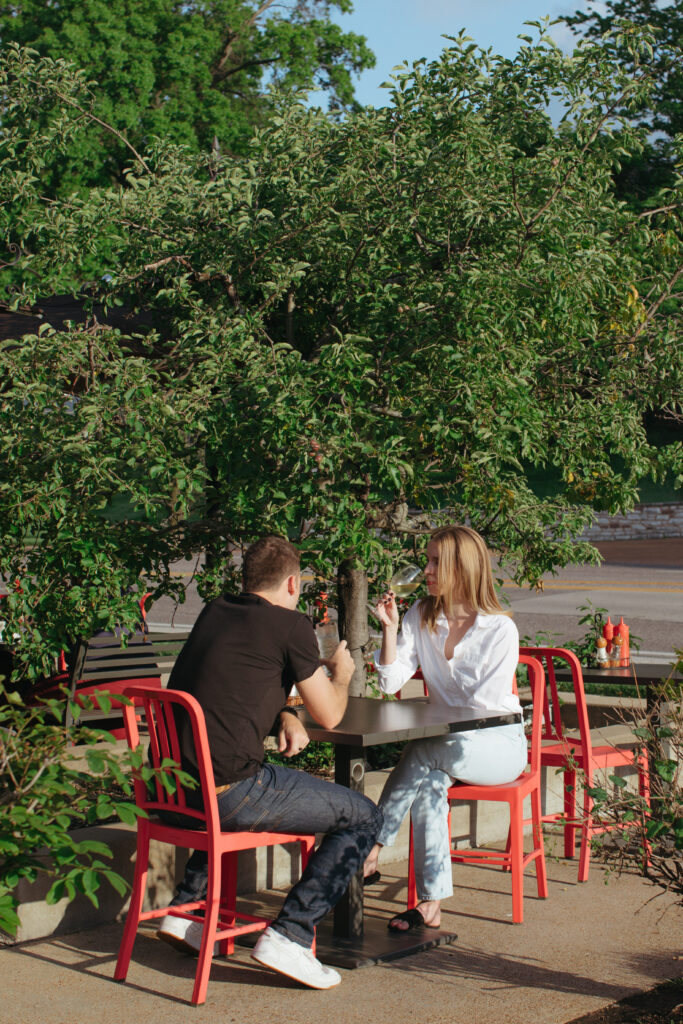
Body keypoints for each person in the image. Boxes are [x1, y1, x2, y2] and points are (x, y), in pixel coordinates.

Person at [156, 535, 382, 989]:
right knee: (364, 816)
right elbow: (333, 714)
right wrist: (342, 673)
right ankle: (290, 934)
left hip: (175, 789)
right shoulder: (290, 625)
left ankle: (187, 911)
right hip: (230, 795)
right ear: (293, 583)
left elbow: (232, 685)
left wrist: (285, 712)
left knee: (235, 769)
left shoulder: (215, 612)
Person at [362, 525, 526, 932]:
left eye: (436, 561)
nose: (426, 569)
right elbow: (389, 683)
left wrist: (431, 712)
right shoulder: (420, 615)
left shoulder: (499, 629)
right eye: (428, 559)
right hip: (446, 743)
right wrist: (388, 628)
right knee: (431, 781)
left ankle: (370, 848)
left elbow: (483, 708)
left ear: (462, 568)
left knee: (423, 750)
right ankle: (430, 906)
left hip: (499, 743)